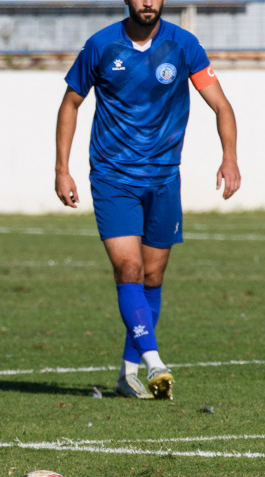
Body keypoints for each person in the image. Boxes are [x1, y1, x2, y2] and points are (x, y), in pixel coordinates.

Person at [54, 0, 241, 400]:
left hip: (163, 179)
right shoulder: (101, 45)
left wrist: (229, 158)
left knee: (152, 277)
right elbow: (70, 103)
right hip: (112, 177)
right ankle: (154, 361)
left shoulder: (183, 45)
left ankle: (128, 372)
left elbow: (221, 105)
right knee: (129, 268)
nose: (148, 3)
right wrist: (61, 169)